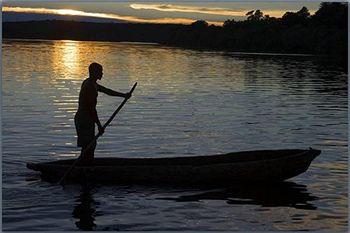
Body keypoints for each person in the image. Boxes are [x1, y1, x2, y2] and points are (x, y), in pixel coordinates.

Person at [74, 62, 131, 165]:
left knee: (90, 146)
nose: (102, 73)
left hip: (87, 119)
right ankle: (84, 168)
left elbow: (107, 91)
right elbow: (91, 109)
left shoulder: (93, 84)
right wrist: (99, 125)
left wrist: (123, 95)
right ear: (94, 72)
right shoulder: (89, 86)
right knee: (88, 146)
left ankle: (86, 166)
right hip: (84, 120)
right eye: (100, 71)